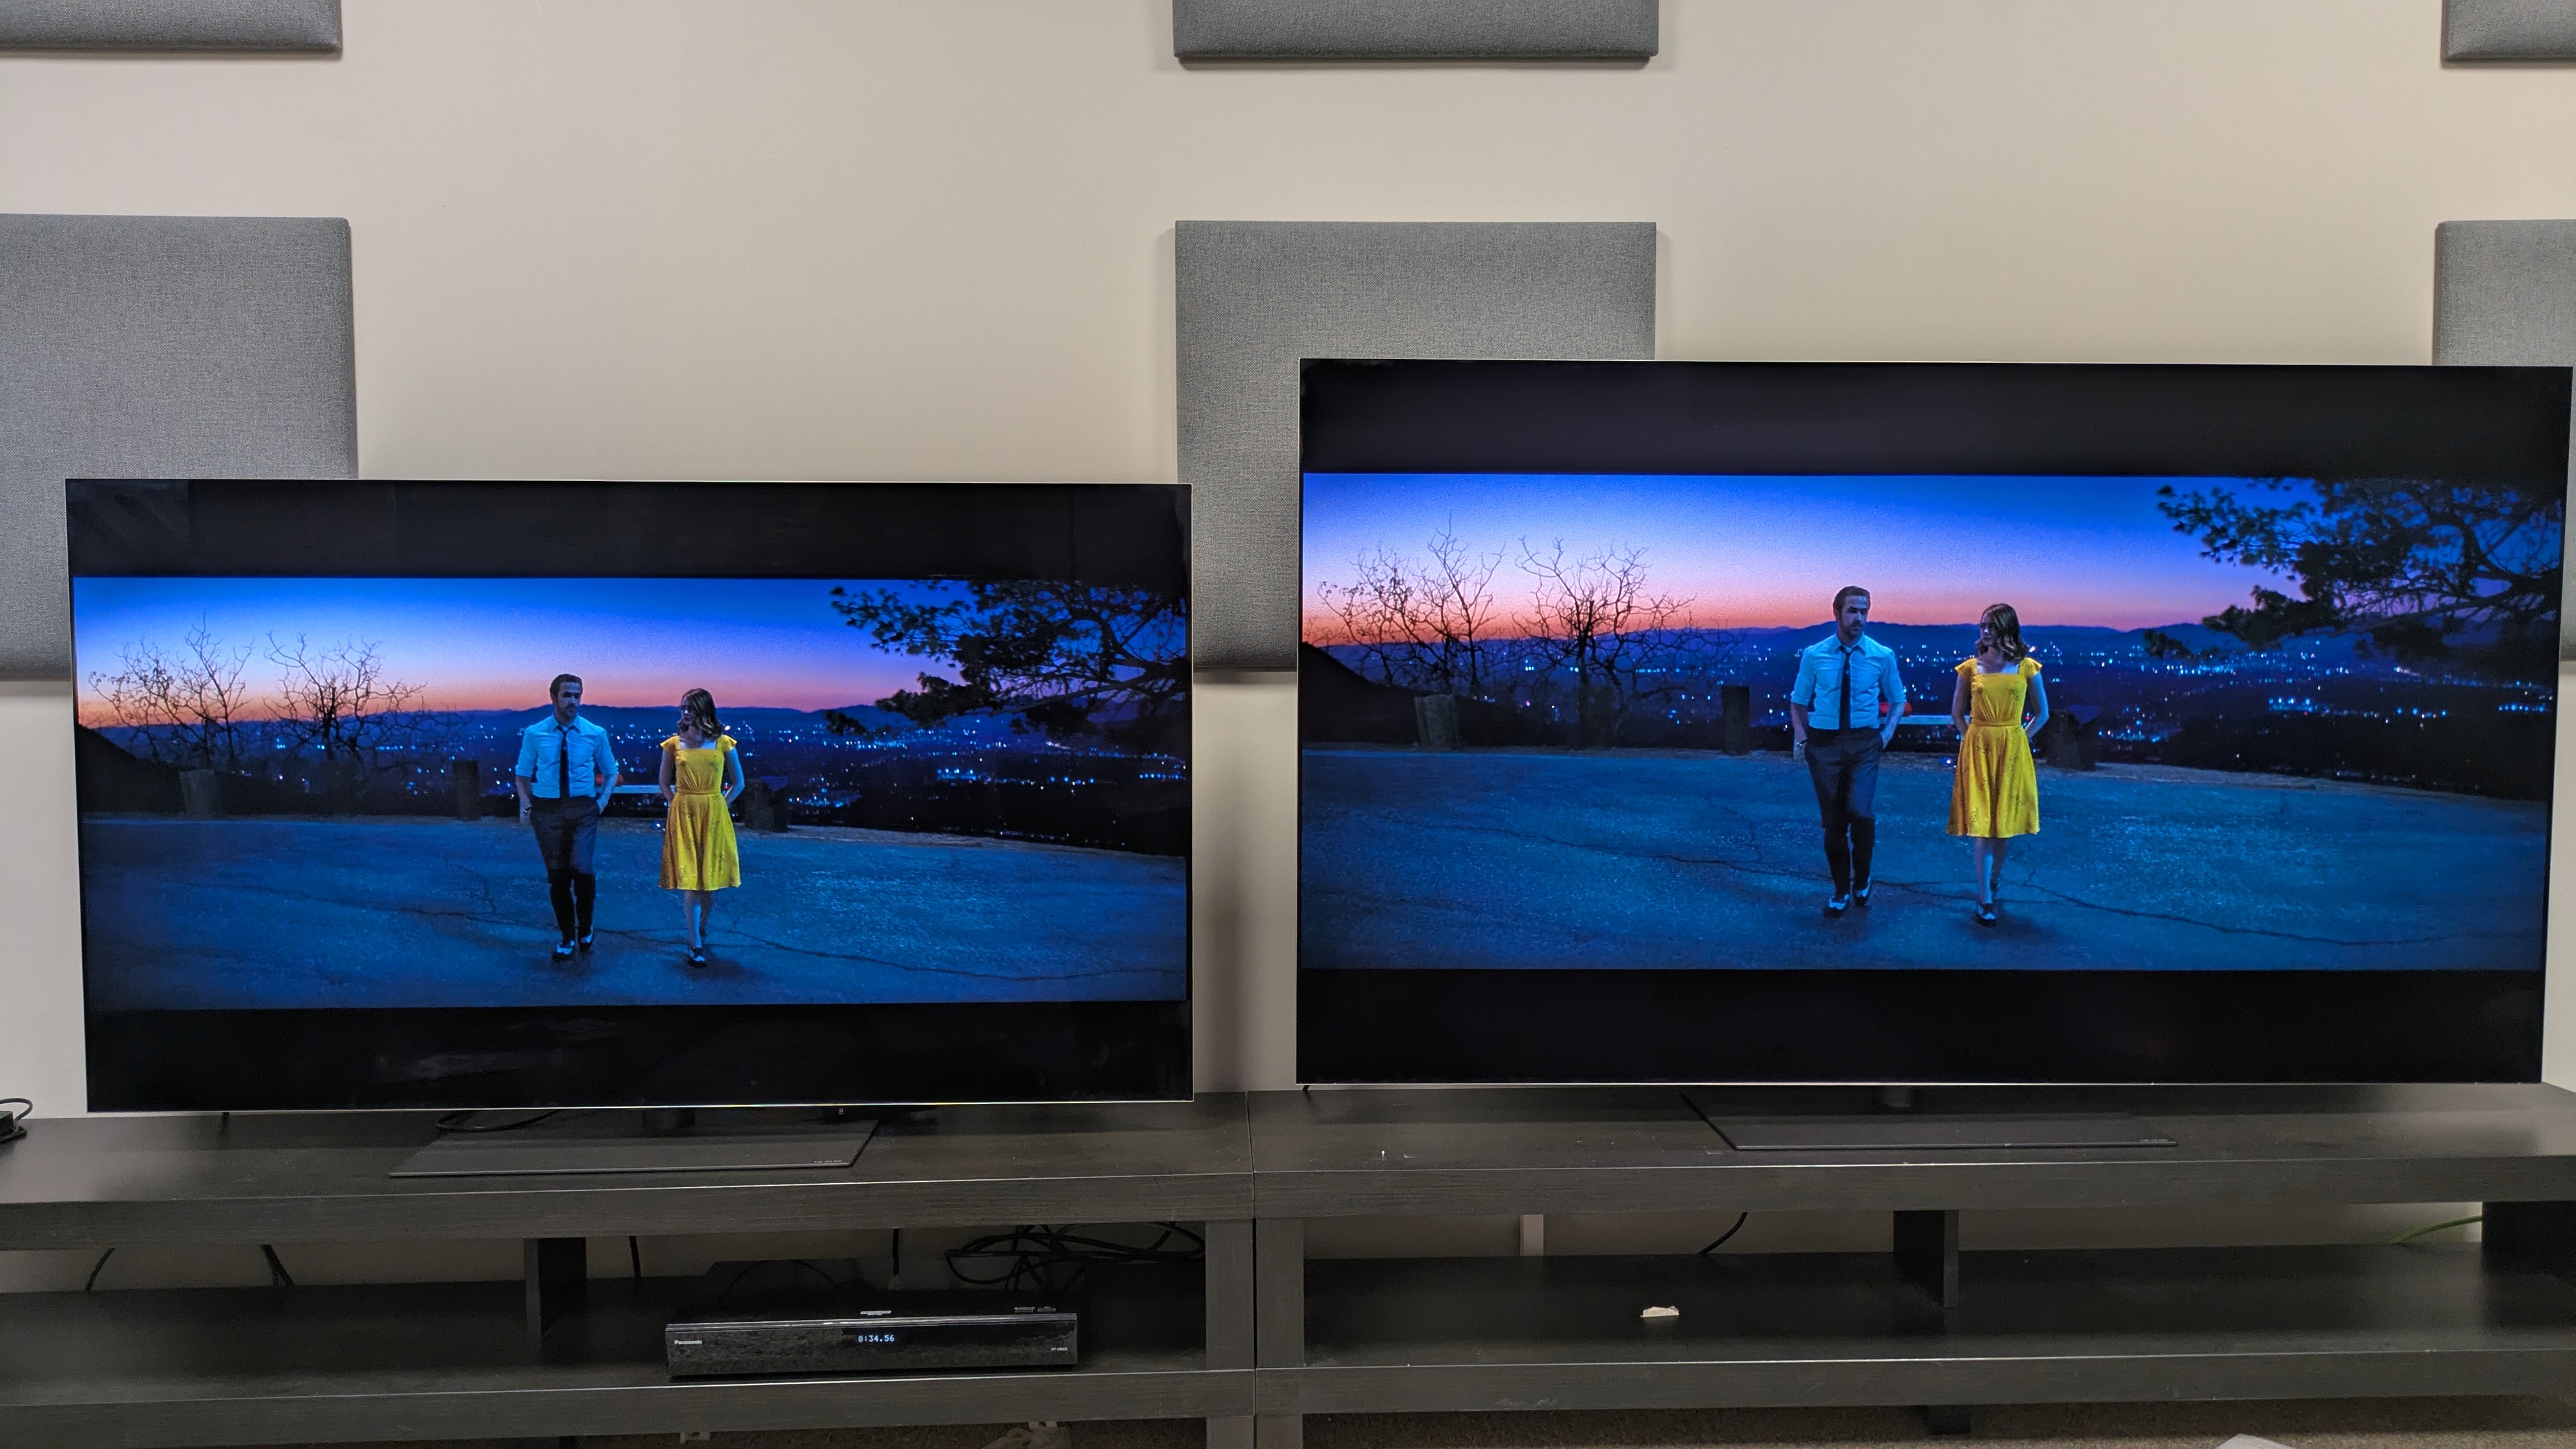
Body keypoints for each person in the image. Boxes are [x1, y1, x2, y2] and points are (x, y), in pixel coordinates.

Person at [1789, 586, 1907, 916]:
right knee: (1834, 821)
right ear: (1837, 613)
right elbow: (1798, 702)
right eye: (1853, 611)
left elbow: (1897, 700)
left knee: (1860, 810)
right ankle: (1841, 888)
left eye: (1864, 611)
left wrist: (1885, 736)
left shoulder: (1881, 655)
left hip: (1864, 742)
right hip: (1824, 744)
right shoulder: (1815, 655)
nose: (1860, 618)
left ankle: (1863, 877)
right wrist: (1803, 741)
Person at [1947, 602, 2050, 926]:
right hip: (1979, 748)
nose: (1986, 631)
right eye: (1983, 625)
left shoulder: (2026, 667)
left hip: (2012, 748)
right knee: (1984, 826)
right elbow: (1957, 713)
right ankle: (1985, 897)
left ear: (2007, 629)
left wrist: (2021, 738)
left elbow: (2043, 713)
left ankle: (1993, 882)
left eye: (1992, 625)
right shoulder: (1970, 668)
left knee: (2003, 827)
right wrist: (1970, 738)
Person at [515, 673, 620, 961]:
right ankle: (566, 936)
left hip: (583, 809)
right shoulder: (535, 733)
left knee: (582, 869)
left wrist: (601, 803)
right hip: (547, 810)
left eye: (577, 695)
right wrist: (528, 807)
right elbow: (522, 774)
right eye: (567, 695)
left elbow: (611, 771)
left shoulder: (594, 733)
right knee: (558, 876)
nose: (573, 701)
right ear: (554, 697)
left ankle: (586, 925)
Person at [659, 687, 745, 967]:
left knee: (708, 883)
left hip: (713, 813)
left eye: (691, 708)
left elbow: (739, 782)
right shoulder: (674, 744)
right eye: (683, 707)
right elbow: (663, 782)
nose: (686, 712)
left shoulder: (723, 743)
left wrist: (721, 805)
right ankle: (695, 942)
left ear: (704, 710)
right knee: (692, 882)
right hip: (684, 813)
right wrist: (675, 803)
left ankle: (701, 928)